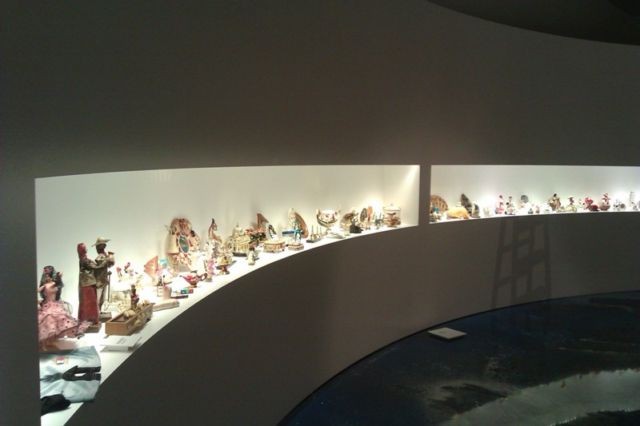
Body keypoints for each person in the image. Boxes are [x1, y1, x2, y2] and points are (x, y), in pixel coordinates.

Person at [38, 266, 89, 348]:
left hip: (56, 304)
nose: (47, 277)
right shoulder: (45, 285)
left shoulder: (55, 284)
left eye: (48, 275)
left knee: (61, 318)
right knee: (49, 318)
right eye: (45, 275)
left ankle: (53, 339)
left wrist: (59, 278)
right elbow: (37, 290)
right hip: (47, 305)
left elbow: (59, 283)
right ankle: (49, 340)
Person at [77, 242, 112, 326]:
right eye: (85, 247)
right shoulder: (84, 260)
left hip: (89, 282)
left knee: (91, 301)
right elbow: (96, 267)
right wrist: (106, 261)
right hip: (87, 283)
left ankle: (91, 318)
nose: (86, 248)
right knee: (91, 302)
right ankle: (90, 319)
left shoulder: (84, 258)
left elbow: (95, 266)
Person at [92, 237, 115, 316]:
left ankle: (99, 311)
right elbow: (100, 266)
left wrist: (107, 273)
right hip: (99, 280)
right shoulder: (101, 256)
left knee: (102, 297)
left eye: (98, 246)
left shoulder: (103, 255)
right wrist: (108, 259)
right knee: (98, 297)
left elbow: (107, 265)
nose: (97, 248)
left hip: (102, 279)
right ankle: (96, 312)